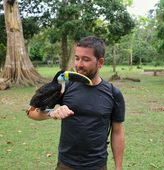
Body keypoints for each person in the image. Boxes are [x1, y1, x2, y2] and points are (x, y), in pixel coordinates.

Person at [28, 36, 125, 170]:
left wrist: (118, 167)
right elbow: (31, 112)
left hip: (97, 165)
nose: (79, 64)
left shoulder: (114, 93)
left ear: (100, 62)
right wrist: (52, 113)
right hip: (66, 164)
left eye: (86, 59)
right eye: (77, 58)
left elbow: (117, 132)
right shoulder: (64, 87)